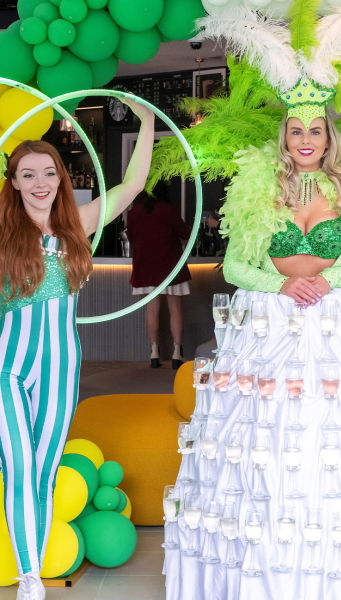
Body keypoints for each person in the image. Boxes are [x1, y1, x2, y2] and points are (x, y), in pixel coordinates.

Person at [164, 107, 341, 600]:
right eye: (297, 130)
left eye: (315, 130)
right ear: (285, 136)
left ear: (328, 136)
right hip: (270, 328)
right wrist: (282, 283)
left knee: (337, 443)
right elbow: (234, 267)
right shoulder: (258, 187)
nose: (306, 139)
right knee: (265, 445)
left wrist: (326, 280)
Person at [0, 98, 154, 600]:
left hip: (62, 368)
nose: (40, 182)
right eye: (28, 174)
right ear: (15, 182)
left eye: (49, 172)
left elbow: (131, 185)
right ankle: (29, 578)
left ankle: (31, 567)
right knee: (20, 467)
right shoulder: (2, 232)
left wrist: (148, 121)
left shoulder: (78, 225)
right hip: (7, 367)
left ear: (60, 179)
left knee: (42, 474)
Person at [126, 189, 191, 369]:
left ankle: (154, 352)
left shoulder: (134, 212)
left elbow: (131, 237)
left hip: (146, 266)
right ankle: (177, 353)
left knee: (152, 309)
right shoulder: (168, 209)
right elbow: (185, 233)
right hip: (170, 265)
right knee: (175, 309)